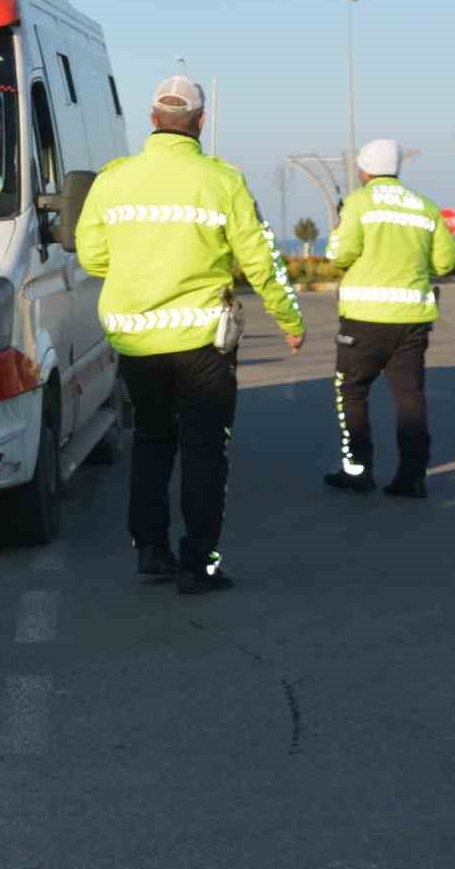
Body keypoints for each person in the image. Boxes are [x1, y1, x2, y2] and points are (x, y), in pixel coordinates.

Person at [75, 76, 306, 594]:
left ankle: (150, 551)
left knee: (153, 441)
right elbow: (261, 261)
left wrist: (139, 265)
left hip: (136, 342)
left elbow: (91, 256)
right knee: (206, 451)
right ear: (200, 123)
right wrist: (290, 321)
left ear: (153, 120)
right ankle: (198, 566)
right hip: (204, 342)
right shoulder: (221, 180)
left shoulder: (112, 181)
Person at [322, 139, 455, 498]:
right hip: (412, 320)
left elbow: (339, 254)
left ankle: (358, 471)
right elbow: (445, 263)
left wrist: (338, 237)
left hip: (363, 320)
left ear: (363, 170)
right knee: (409, 397)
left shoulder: (358, 203)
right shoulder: (425, 207)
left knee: (351, 394)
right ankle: (411, 476)